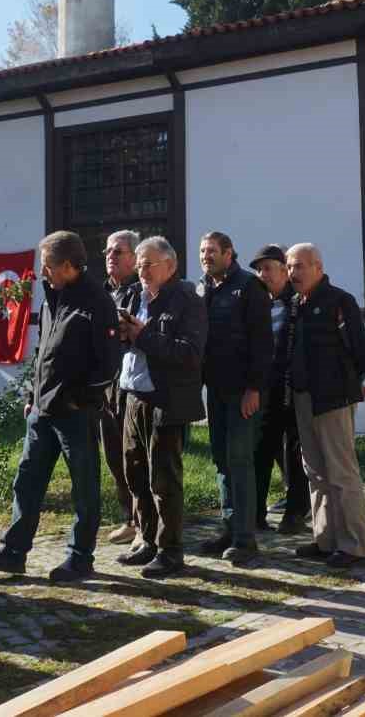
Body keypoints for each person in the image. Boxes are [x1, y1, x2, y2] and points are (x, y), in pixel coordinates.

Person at [0, 231, 119, 582]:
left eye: (47, 266)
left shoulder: (97, 302)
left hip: (75, 413)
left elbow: (108, 365)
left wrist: (78, 399)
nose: (42, 273)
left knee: (84, 488)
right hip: (42, 411)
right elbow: (44, 354)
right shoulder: (54, 296)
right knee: (27, 481)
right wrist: (32, 397)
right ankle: (13, 552)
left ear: (68, 266)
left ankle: (80, 558)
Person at [114, 236, 206, 580]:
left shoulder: (186, 300)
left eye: (149, 265)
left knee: (163, 479)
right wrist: (123, 334)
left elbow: (189, 354)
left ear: (170, 265)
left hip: (165, 399)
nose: (142, 271)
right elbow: (132, 343)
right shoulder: (135, 296)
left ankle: (171, 551)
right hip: (133, 395)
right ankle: (147, 540)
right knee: (135, 473)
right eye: (139, 265)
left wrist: (143, 336)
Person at [286, 243, 365, 569]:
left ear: (318, 267)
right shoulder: (296, 303)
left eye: (299, 266)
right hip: (303, 397)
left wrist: (346, 383)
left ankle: (354, 545)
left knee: (341, 472)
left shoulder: (339, 301)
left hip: (333, 398)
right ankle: (326, 539)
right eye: (289, 267)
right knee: (315, 472)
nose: (292, 273)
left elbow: (362, 354)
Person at [196, 231, 274, 567]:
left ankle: (245, 538)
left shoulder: (249, 286)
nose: (206, 256)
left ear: (229, 253)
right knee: (222, 460)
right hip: (216, 389)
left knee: (240, 461)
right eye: (202, 251)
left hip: (244, 391)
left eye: (212, 250)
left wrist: (254, 389)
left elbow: (262, 343)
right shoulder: (204, 288)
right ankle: (230, 529)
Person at [249, 245, 310, 534]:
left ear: (285, 271)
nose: (262, 275)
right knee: (261, 451)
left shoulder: (297, 302)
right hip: (266, 389)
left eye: (268, 268)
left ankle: (295, 512)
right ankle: (256, 514)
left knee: (295, 453)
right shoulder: (258, 302)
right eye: (259, 270)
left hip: (293, 387)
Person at [101, 231, 141, 545]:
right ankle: (129, 517)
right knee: (114, 456)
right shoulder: (102, 293)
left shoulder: (141, 291)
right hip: (105, 386)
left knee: (136, 457)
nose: (110, 257)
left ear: (135, 257)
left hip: (133, 385)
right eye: (108, 252)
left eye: (118, 251)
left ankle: (145, 522)